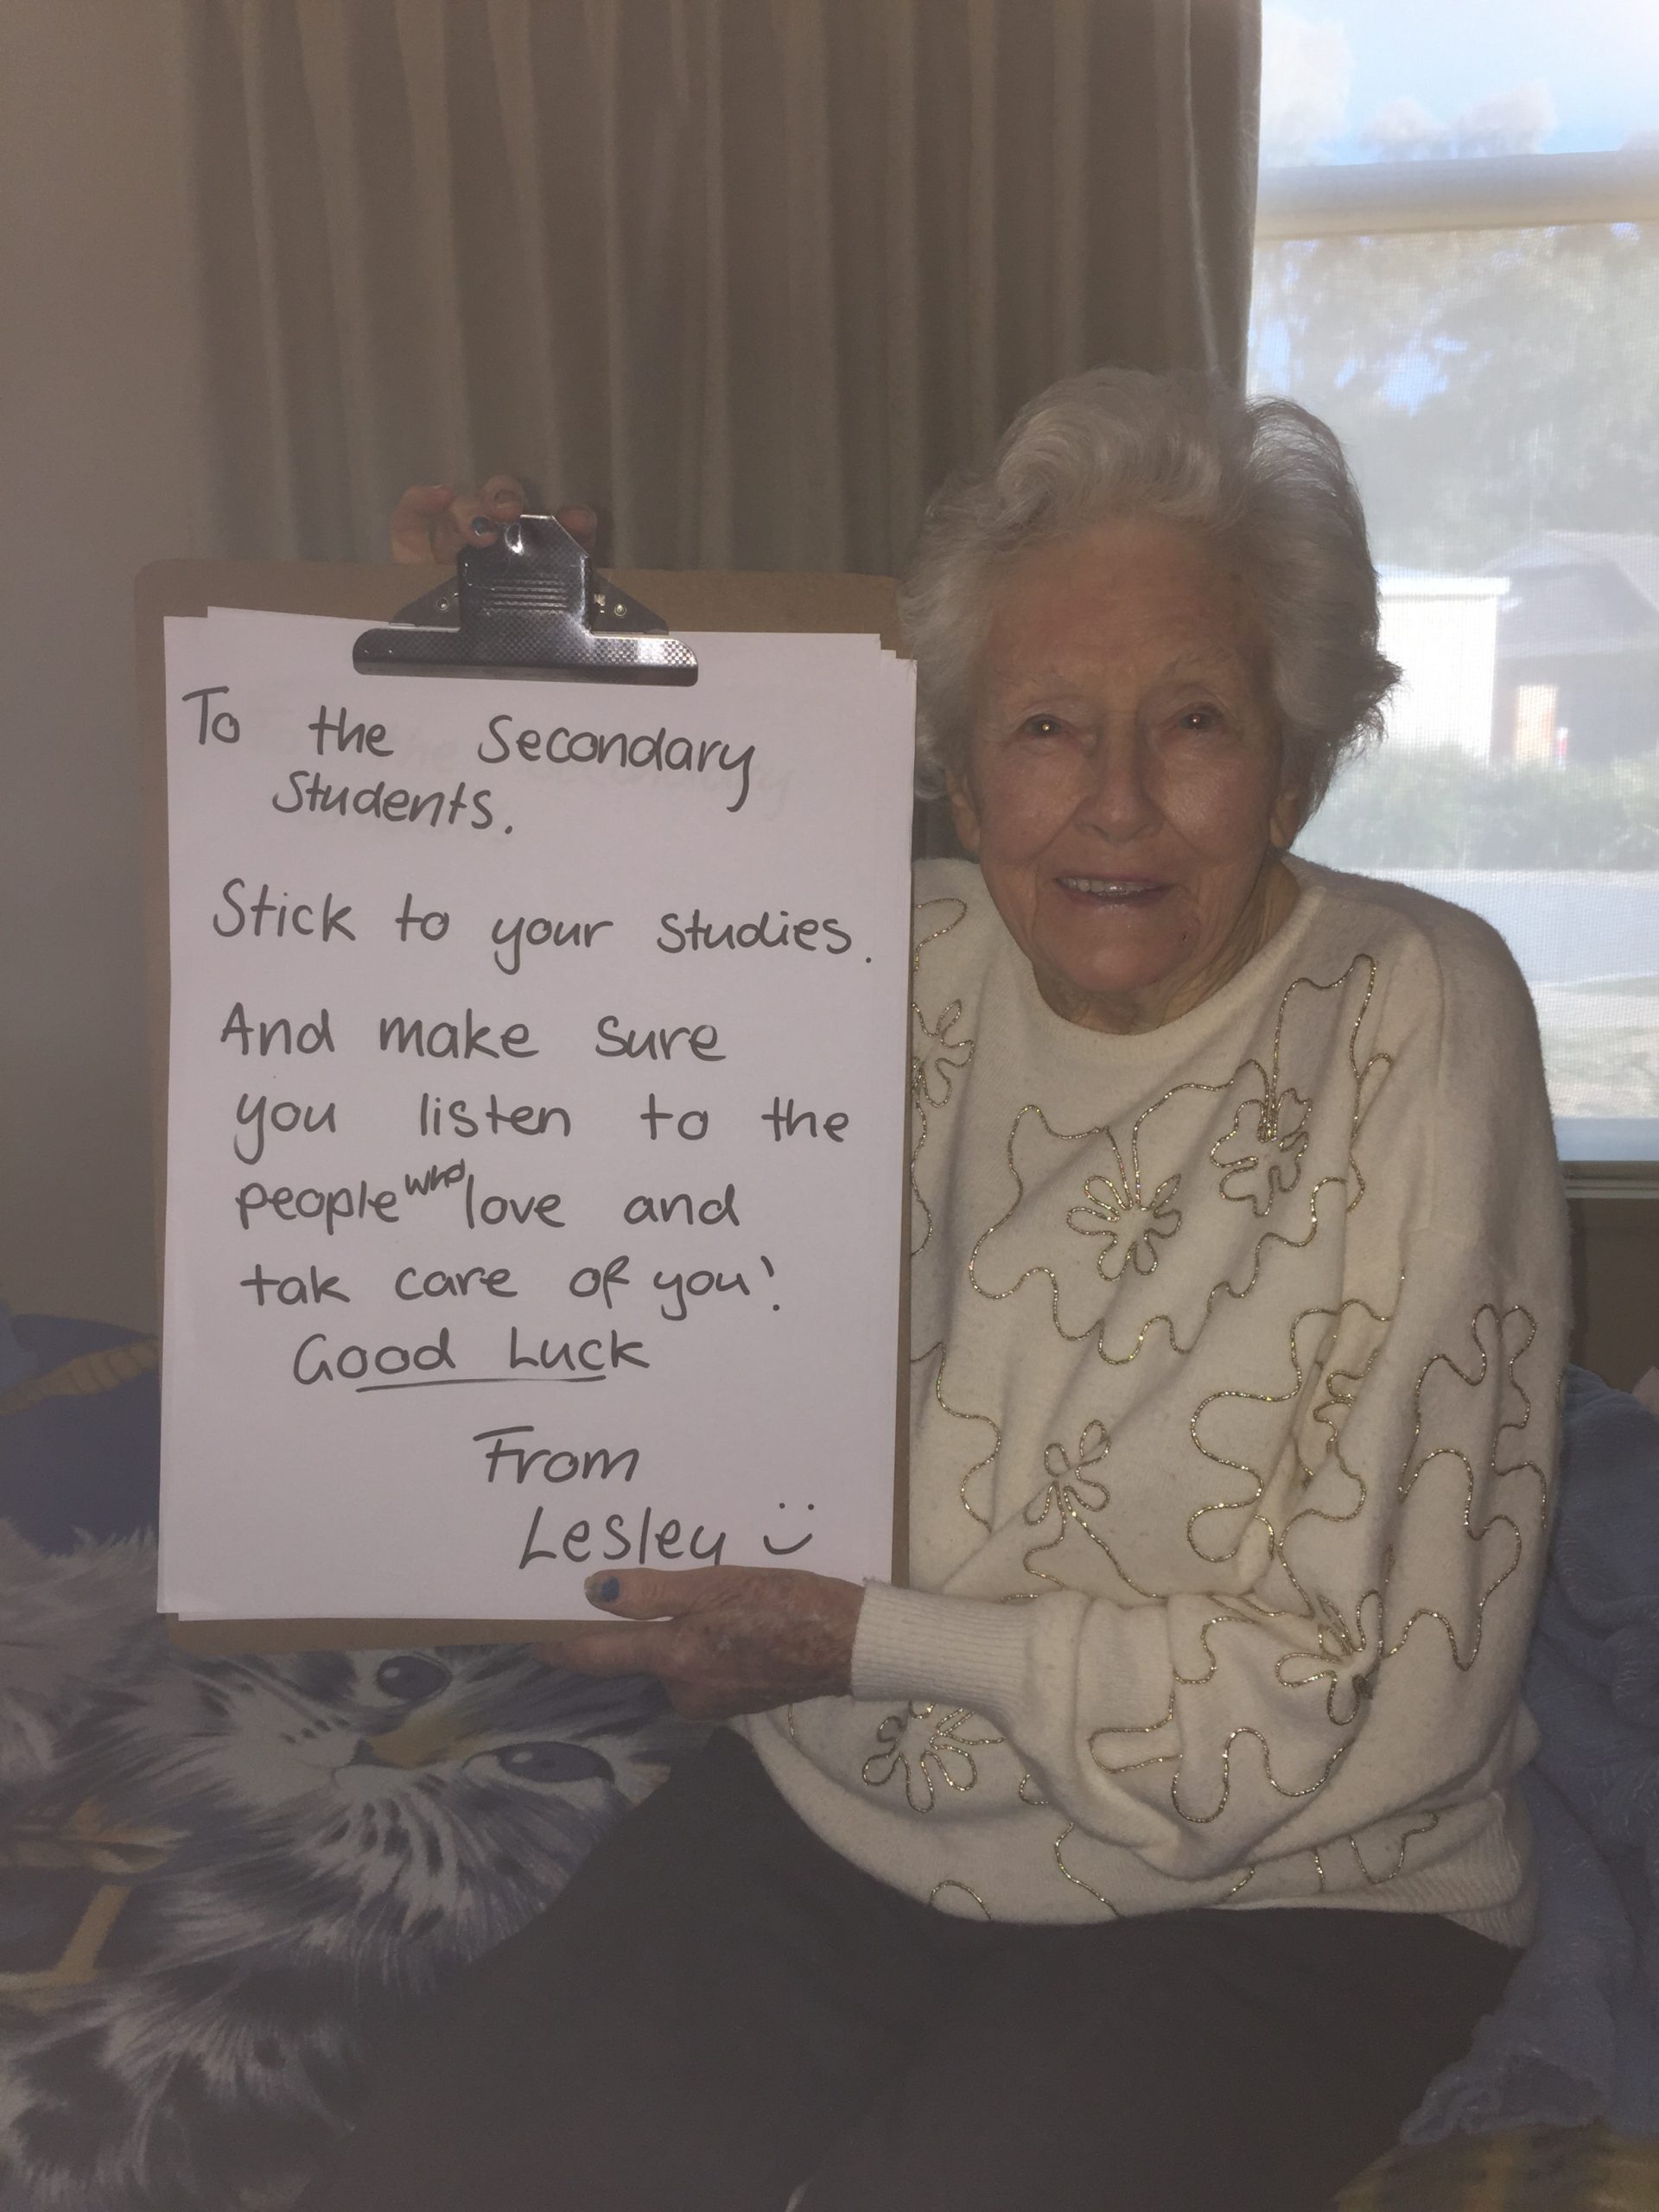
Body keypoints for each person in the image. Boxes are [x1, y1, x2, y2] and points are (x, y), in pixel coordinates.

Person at [302, 369, 1568, 2212]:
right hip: (850, 1807)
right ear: (961, 770)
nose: (1115, 800)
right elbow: (546, 994)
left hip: (1297, 1881)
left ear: (1295, 756)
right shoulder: (881, 954)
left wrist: (854, 1637)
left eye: (1195, 718)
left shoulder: (1419, 1011)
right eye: (1049, 724)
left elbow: (1305, 1703)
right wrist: (519, 685)